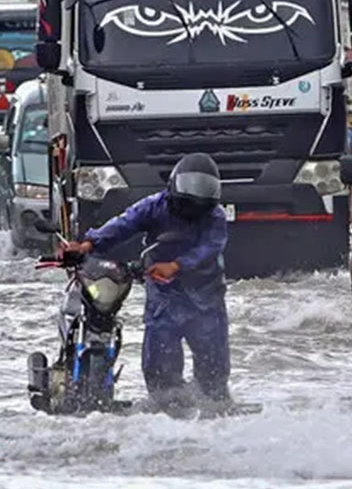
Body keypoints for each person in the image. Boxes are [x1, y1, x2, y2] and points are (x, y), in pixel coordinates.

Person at [66, 152, 230, 408]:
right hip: (165, 297)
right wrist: (89, 243)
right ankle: (169, 414)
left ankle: (215, 413)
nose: (194, 206)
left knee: (214, 373)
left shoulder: (215, 216)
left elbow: (210, 248)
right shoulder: (154, 206)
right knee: (160, 369)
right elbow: (124, 224)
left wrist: (176, 265)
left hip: (205, 297)